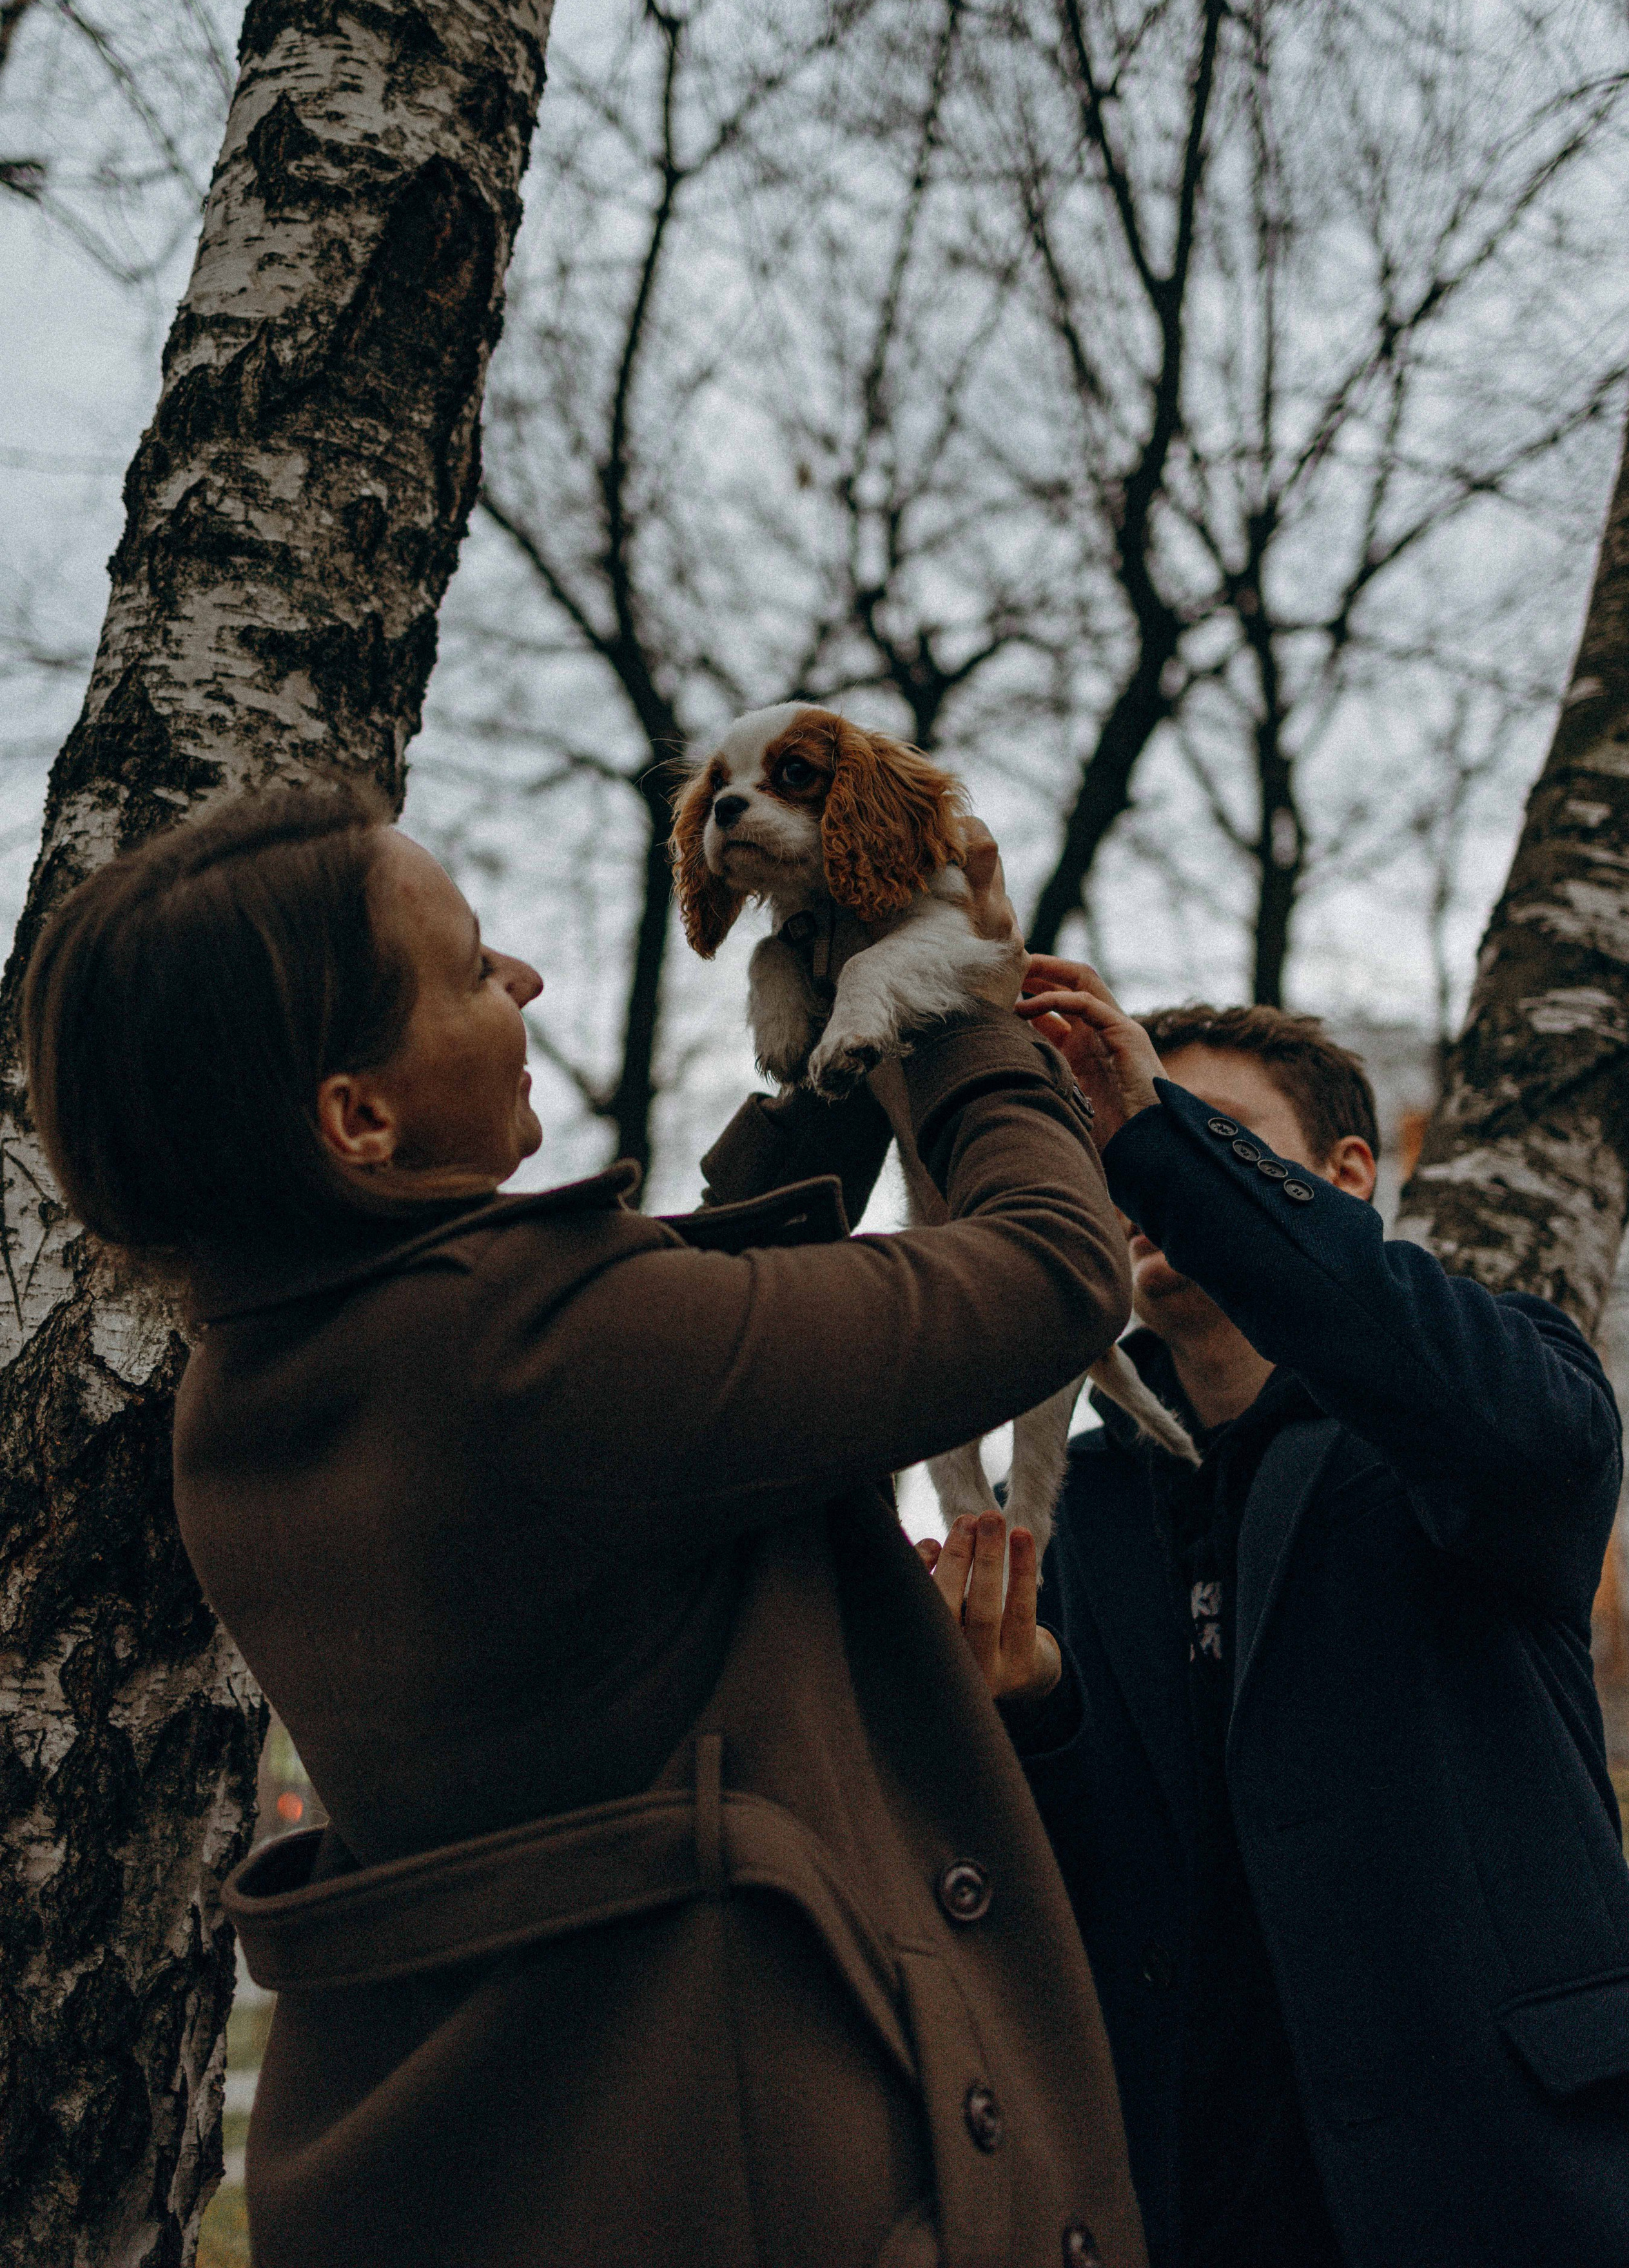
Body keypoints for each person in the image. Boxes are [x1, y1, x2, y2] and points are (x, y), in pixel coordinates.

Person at [23, 783, 1149, 2268]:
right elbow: (1056, 1266)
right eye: (470, 967)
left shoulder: (275, 1371)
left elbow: (712, 1327)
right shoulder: (532, 1357)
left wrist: (835, 1022)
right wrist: (946, 991)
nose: (527, 979)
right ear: (358, 1117)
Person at [922, 962, 1629, 2268]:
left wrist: (1167, 1138)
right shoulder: (1067, 1503)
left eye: (1201, 1131)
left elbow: (1521, 1443)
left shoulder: (1480, 1395)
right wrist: (1034, 1710)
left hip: (1510, 2191)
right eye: (1114, 1151)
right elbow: (1096, 1891)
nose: (1140, 1175)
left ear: (1347, 1174)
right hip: (1198, 2205)